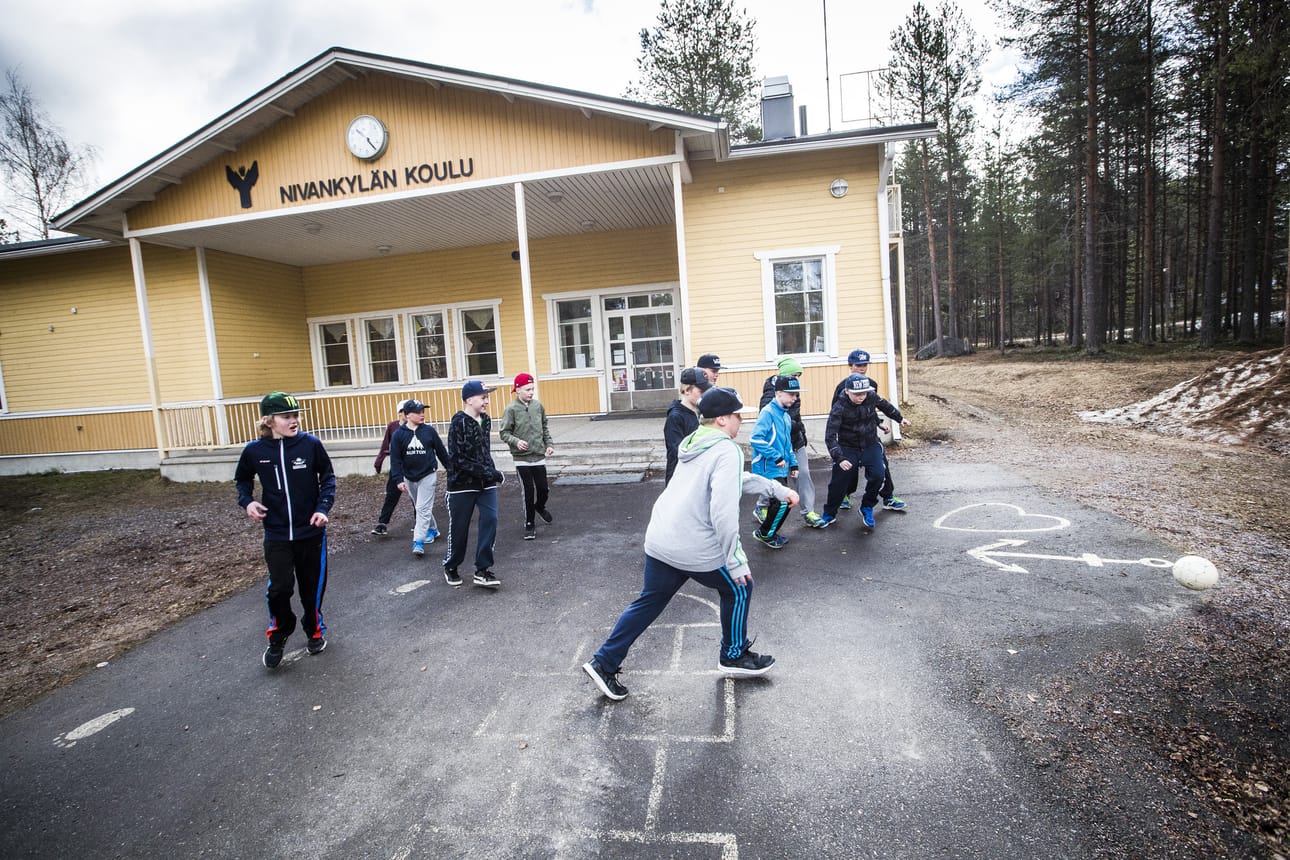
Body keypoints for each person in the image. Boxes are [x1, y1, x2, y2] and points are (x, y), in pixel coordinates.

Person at [582, 386, 798, 701]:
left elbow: (732, 481)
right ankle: (733, 655)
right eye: (738, 415)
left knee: (649, 601)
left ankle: (604, 662)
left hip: (662, 537)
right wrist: (736, 561)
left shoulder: (695, 441)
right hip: (692, 544)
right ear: (723, 419)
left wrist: (775, 489)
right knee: (739, 586)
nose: (742, 421)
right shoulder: (726, 450)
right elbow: (723, 513)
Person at [234, 391, 336, 669]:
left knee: (310, 587)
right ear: (269, 420)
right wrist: (248, 502)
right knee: (279, 588)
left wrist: (322, 509)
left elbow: (327, 478)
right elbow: (242, 480)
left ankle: (314, 630)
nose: (294, 421)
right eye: (286, 416)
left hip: (311, 533)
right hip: (277, 533)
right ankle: (279, 633)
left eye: (296, 415)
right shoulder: (255, 451)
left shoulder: (310, 445)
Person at [819, 374, 907, 530]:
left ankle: (867, 506)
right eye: (857, 394)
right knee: (838, 483)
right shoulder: (839, 407)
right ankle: (829, 514)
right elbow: (830, 435)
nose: (861, 397)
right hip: (848, 447)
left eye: (864, 393)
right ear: (847, 391)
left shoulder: (871, 397)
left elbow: (885, 406)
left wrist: (899, 419)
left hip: (870, 444)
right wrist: (839, 457)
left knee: (879, 475)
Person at [831, 349, 909, 512]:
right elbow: (836, 413)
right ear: (850, 366)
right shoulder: (842, 387)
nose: (862, 368)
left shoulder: (871, 384)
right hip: (849, 438)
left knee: (882, 465)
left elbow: (871, 407)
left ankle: (888, 497)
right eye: (858, 365)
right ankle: (845, 494)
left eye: (864, 365)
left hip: (868, 435)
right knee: (849, 467)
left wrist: (879, 423)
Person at [443, 380, 505, 588]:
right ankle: (451, 565)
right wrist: (490, 472)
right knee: (459, 528)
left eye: (487, 397)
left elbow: (484, 452)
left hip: (485, 483)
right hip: (462, 484)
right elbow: (458, 459)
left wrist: (491, 471)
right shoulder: (458, 423)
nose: (486, 401)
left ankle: (482, 569)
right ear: (469, 400)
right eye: (483, 397)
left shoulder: (485, 421)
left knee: (490, 520)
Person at [756, 357, 826, 529]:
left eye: (798, 375)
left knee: (803, 473)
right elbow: (770, 420)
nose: (796, 379)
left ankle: (808, 511)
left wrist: (800, 432)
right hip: (777, 444)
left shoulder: (795, 392)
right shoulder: (771, 394)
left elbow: (795, 417)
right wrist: (795, 426)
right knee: (775, 479)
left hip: (795, 440)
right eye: (794, 374)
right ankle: (762, 506)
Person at [389, 400, 451, 558]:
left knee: (423, 507)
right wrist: (398, 480)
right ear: (408, 415)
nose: (422, 414)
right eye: (418, 412)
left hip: (428, 474)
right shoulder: (398, 435)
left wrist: (451, 469)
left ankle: (418, 541)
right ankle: (433, 529)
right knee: (420, 506)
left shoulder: (429, 431)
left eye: (423, 411)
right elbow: (395, 460)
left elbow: (441, 452)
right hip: (410, 477)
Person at [498, 372, 555, 540]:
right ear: (518, 390)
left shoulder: (538, 406)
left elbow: (544, 427)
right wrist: (516, 442)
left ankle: (540, 506)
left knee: (543, 488)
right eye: (527, 389)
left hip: (538, 455)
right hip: (522, 459)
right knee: (528, 491)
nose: (531, 392)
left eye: (532, 389)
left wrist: (549, 444)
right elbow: (504, 433)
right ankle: (529, 523)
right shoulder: (511, 409)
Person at [748, 375, 802, 549]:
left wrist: (793, 463)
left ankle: (766, 532)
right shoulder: (768, 412)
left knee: (779, 502)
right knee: (784, 501)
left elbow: (787, 444)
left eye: (796, 395)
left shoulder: (785, 416)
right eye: (791, 394)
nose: (795, 398)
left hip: (780, 468)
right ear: (778, 392)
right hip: (767, 467)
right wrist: (775, 456)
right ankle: (765, 533)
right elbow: (755, 439)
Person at [662, 366, 711, 484]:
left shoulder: (701, 411)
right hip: (680, 478)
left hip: (697, 475)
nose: (705, 395)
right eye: (701, 391)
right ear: (687, 390)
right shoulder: (675, 417)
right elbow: (678, 451)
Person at [371, 400, 409, 536]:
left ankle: (420, 523)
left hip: (412, 467)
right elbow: (385, 445)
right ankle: (382, 523)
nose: (409, 414)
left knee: (417, 496)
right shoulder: (393, 427)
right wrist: (379, 461)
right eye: (406, 412)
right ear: (400, 413)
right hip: (397, 467)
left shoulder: (417, 426)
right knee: (391, 495)